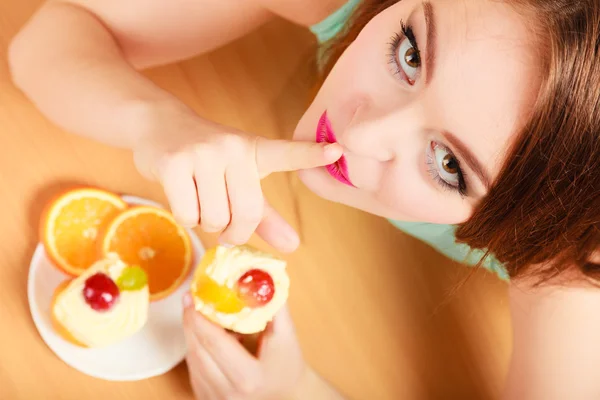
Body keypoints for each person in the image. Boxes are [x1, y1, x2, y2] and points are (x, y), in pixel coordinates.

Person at [7, 0, 600, 398]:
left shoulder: (572, 271)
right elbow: (46, 40)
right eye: (411, 53)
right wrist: (156, 123)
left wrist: (298, 391)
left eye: (449, 166)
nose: (359, 135)